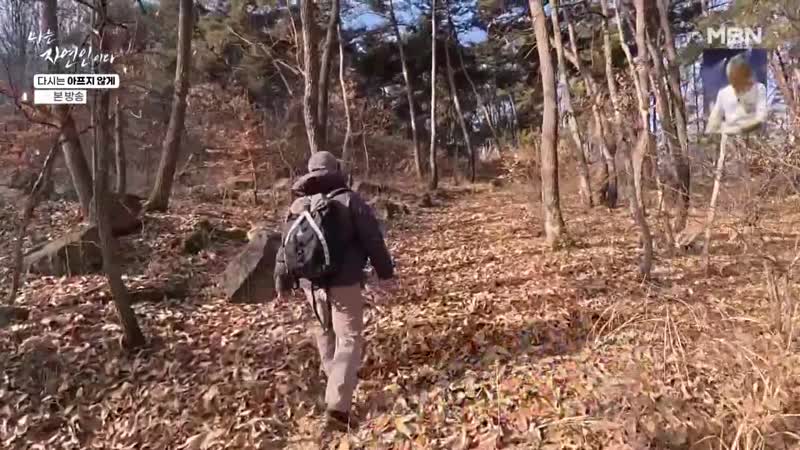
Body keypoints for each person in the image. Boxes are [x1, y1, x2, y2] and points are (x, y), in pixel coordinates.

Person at [273, 151, 395, 432]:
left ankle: (334, 386)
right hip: (345, 282)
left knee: (324, 332)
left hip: (311, 285)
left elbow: (284, 248)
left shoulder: (298, 205)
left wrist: (282, 283)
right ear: (335, 169)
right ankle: (338, 409)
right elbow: (373, 240)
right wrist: (386, 273)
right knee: (349, 338)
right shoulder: (350, 200)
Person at [705, 53, 768, 136]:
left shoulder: (759, 89)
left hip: (752, 135)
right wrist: (709, 134)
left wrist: (738, 129)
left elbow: (761, 119)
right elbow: (714, 121)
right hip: (729, 137)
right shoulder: (723, 93)